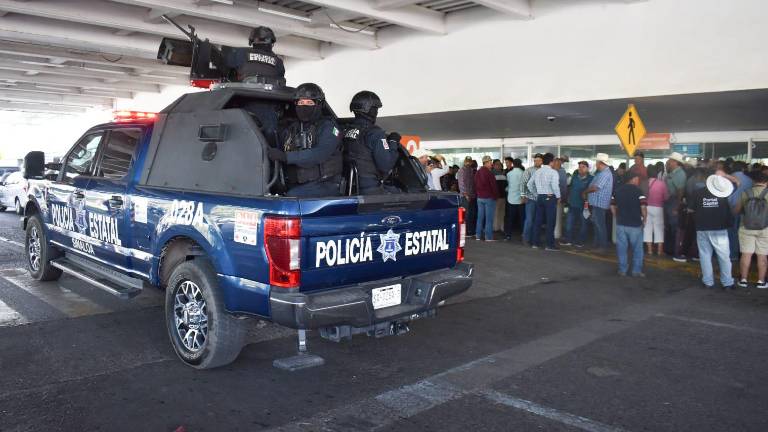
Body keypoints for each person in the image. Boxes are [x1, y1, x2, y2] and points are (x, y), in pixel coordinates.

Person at [267, 83, 342, 197]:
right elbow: (278, 146)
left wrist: (286, 157)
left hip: (325, 184)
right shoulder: (293, 127)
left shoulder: (330, 128)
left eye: (309, 102)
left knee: (290, 198)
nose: (304, 106)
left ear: (318, 104)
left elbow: (319, 154)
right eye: (301, 102)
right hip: (297, 183)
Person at [343, 91, 400, 195]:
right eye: (375, 109)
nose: (376, 112)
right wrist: (393, 141)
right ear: (368, 109)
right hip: (369, 188)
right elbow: (386, 165)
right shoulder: (375, 133)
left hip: (349, 186)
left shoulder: (346, 130)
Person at [692, 174, 735, 289]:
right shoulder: (724, 196)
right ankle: (727, 283)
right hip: (719, 229)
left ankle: (708, 282)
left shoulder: (697, 193)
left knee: (705, 255)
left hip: (702, 228)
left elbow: (691, 209)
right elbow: (728, 213)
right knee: (724, 257)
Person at [732, 171, 768, 289]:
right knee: (762, 256)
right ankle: (761, 281)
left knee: (746, 254)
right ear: (766, 182)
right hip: (765, 228)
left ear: (753, 181)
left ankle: (743, 280)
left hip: (746, 227)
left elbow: (736, 210)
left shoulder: (746, 193)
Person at [612, 173, 647, 277]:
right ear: (633, 179)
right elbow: (643, 207)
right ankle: (636, 271)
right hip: (635, 224)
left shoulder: (617, 191)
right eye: (637, 178)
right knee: (637, 249)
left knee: (622, 248)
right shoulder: (639, 191)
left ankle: (622, 270)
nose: (638, 180)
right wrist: (644, 219)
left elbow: (612, 206)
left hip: (621, 224)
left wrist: (616, 216)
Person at [528, 153, 560, 250]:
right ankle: (549, 245)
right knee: (550, 222)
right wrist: (558, 196)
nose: (555, 162)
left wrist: (536, 193)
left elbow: (529, 184)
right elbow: (555, 186)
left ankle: (535, 243)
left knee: (537, 221)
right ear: (551, 162)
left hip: (540, 197)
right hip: (550, 198)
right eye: (554, 161)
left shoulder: (537, 171)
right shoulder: (553, 172)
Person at [584, 153, 614, 251]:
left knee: (600, 225)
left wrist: (585, 192)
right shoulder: (601, 173)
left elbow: (596, 187)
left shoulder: (605, 173)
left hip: (599, 204)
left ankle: (602, 246)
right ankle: (597, 244)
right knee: (597, 224)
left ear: (601, 163)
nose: (596, 164)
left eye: (596, 162)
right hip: (596, 203)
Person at [562, 160, 593, 247]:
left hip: (584, 205)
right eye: (579, 167)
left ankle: (580, 241)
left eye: (583, 167)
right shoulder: (574, 177)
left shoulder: (591, 179)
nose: (581, 169)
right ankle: (568, 240)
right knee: (569, 223)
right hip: (572, 204)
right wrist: (567, 200)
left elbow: (592, 191)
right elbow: (570, 188)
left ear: (587, 168)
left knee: (583, 224)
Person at [664, 152, 688, 257]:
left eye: (670, 160)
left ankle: (675, 251)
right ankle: (669, 249)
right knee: (669, 226)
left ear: (675, 162)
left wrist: (677, 207)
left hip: (674, 201)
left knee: (674, 226)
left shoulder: (680, 174)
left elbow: (680, 191)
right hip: (669, 201)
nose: (668, 162)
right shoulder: (673, 172)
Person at [727, 161, 752, 259]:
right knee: (741, 233)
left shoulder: (727, 179)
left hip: (730, 208)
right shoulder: (750, 180)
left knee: (730, 232)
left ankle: (732, 254)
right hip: (745, 210)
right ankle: (741, 254)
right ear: (743, 169)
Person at [644, 165, 668, 255]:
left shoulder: (644, 183)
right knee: (659, 228)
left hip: (646, 207)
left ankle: (649, 250)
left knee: (647, 228)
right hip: (658, 208)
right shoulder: (661, 183)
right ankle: (659, 250)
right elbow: (666, 197)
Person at [475, 156, 499, 241]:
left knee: (480, 217)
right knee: (489, 219)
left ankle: (478, 236)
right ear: (486, 163)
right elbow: (494, 187)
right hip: (489, 198)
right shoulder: (489, 173)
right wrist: (496, 196)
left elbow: (475, 184)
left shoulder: (478, 172)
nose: (491, 163)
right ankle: (488, 237)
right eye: (490, 162)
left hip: (480, 198)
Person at [521, 153, 543, 246]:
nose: (537, 162)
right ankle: (526, 239)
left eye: (539, 160)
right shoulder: (529, 170)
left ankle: (535, 239)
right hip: (530, 199)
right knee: (529, 220)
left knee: (538, 220)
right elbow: (523, 183)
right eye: (535, 160)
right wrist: (523, 195)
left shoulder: (544, 171)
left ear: (542, 161)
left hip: (541, 199)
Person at [504, 158, 525, 240]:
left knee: (510, 218)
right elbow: (523, 186)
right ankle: (523, 233)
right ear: (520, 164)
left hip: (511, 198)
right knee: (522, 217)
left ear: (513, 164)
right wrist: (523, 196)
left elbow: (509, 185)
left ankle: (508, 234)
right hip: (520, 199)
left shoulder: (509, 174)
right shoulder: (523, 173)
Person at [457, 157, 477, 236]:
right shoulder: (461, 170)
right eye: (467, 161)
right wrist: (465, 194)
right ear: (465, 161)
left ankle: (470, 230)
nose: (468, 163)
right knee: (466, 214)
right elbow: (461, 183)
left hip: (472, 195)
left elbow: (472, 183)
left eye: (470, 162)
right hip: (465, 196)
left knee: (471, 214)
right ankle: (465, 232)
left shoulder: (470, 170)